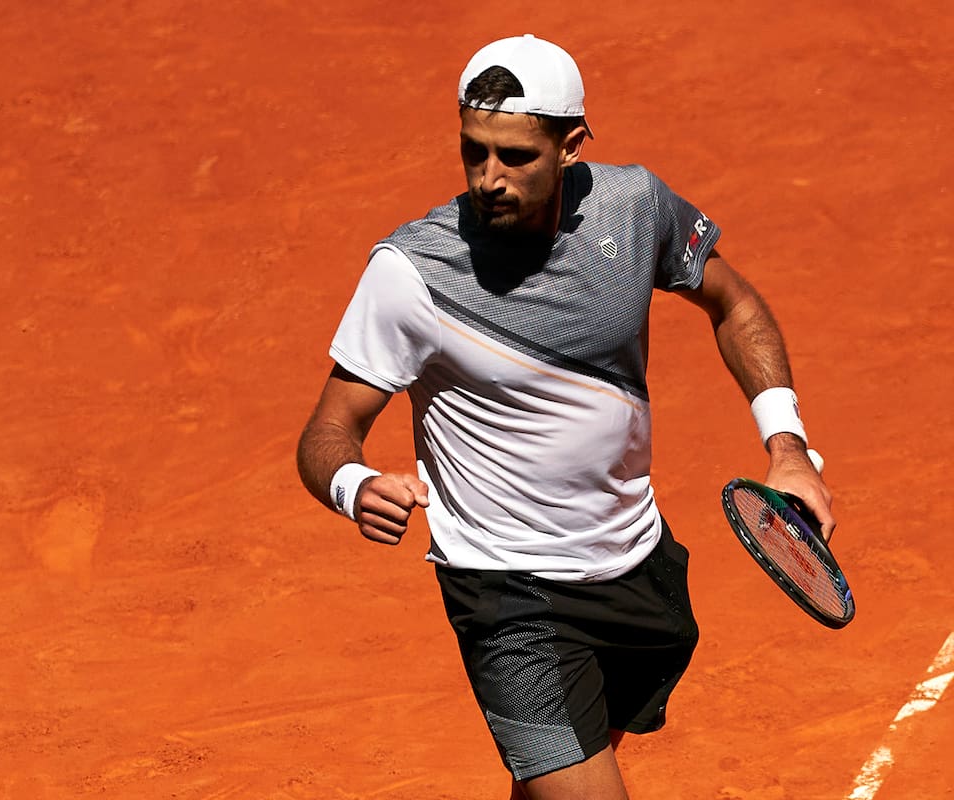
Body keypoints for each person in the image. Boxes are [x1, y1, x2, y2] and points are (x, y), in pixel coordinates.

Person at [295, 33, 834, 800]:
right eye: (473, 152)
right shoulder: (410, 274)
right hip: (506, 594)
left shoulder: (635, 209)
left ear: (571, 145)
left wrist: (788, 447)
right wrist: (350, 483)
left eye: (516, 157)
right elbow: (327, 431)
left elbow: (734, 301)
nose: (488, 179)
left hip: (632, 564)